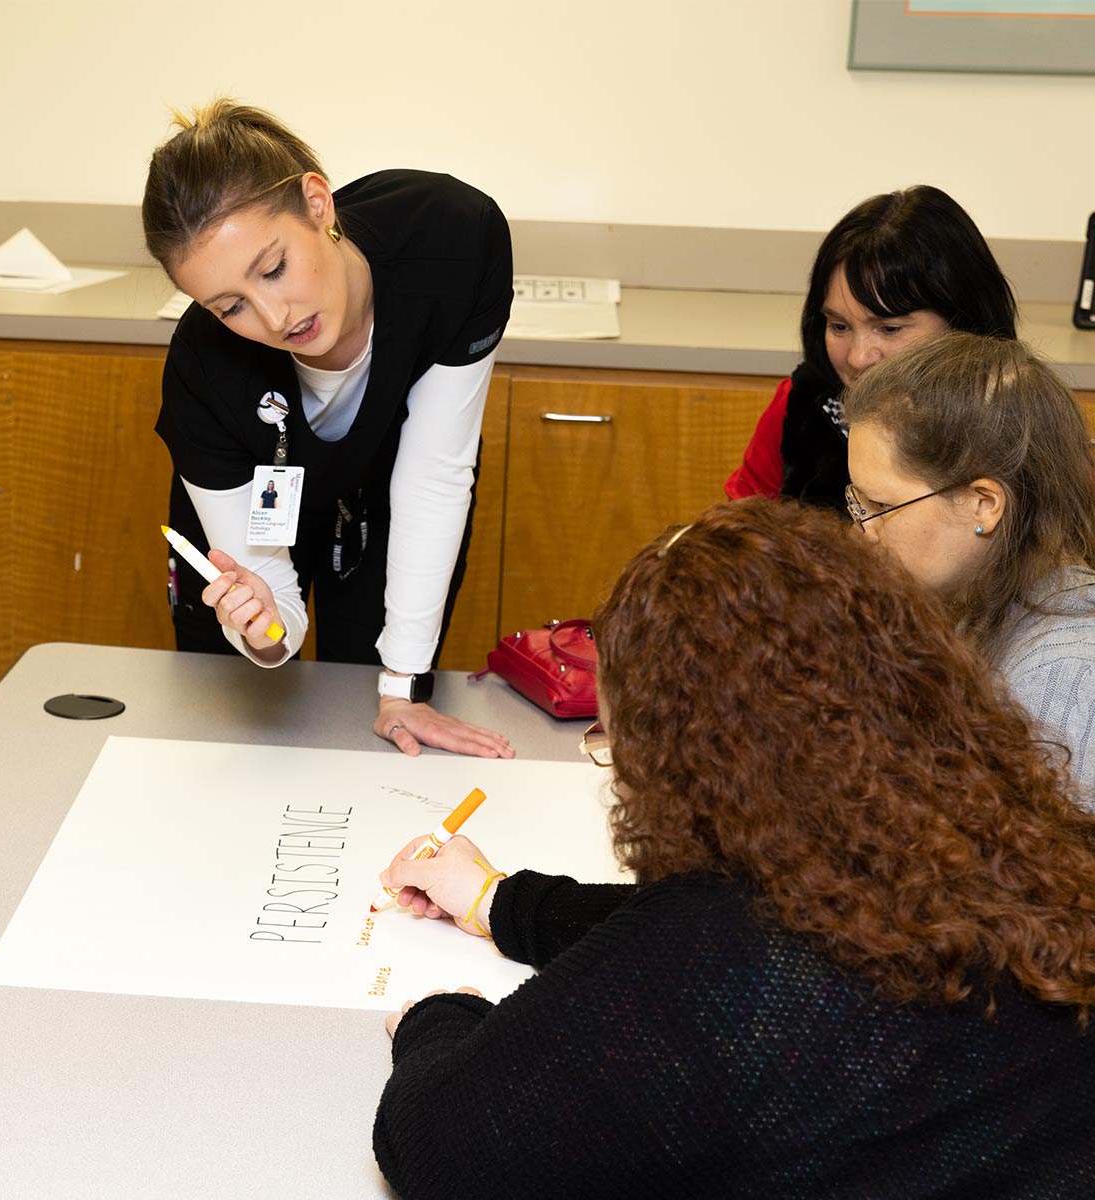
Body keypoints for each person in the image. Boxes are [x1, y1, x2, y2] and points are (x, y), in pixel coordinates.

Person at [371, 500, 1095, 1200]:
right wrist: (500, 901)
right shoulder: (1004, 847)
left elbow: (441, 1149)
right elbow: (681, 936)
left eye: (616, 742)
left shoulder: (728, 969)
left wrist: (438, 1017)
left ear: (684, 758)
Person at [142, 100, 514, 759]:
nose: (274, 315)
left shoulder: (452, 243)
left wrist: (400, 688)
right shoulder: (207, 366)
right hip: (261, 491)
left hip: (394, 487)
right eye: (230, 306)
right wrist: (263, 630)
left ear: (317, 204)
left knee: (375, 713)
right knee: (234, 734)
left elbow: (435, 472)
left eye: (274, 268)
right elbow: (272, 611)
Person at [843, 331, 1095, 798]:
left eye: (878, 504)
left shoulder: (1063, 676)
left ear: (984, 504)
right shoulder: (973, 605)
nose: (863, 532)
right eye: (855, 502)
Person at [726, 186, 1017, 512]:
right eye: (839, 327)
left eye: (889, 329)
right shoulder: (801, 404)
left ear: (963, 323)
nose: (858, 358)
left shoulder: (1015, 425)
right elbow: (741, 534)